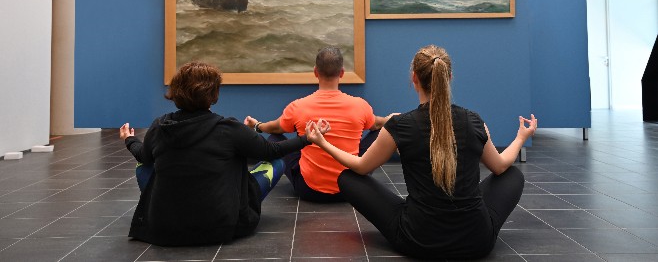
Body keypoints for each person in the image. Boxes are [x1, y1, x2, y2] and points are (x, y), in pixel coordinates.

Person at [304, 45, 537, 260]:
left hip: (416, 240)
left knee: (348, 178)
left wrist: (322, 142)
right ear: (450, 78)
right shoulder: (474, 121)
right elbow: (500, 166)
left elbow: (361, 166)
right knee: (512, 174)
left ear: (414, 78)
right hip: (477, 241)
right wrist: (520, 138)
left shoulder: (400, 125)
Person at [118, 61, 312, 246]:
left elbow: (143, 156)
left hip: (165, 228)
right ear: (214, 95)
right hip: (221, 225)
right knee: (276, 161)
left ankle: (166, 206)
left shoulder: (160, 127)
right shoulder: (228, 128)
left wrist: (129, 140)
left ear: (176, 92)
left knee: (143, 165)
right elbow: (271, 150)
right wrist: (306, 139)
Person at [244, 46, 395, 202]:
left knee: (275, 138)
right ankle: (360, 176)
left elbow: (274, 128)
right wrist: (391, 119)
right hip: (351, 188)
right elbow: (377, 125)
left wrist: (257, 125)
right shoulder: (360, 105)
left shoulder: (298, 106)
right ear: (342, 73)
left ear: (315, 72)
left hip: (308, 190)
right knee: (379, 132)